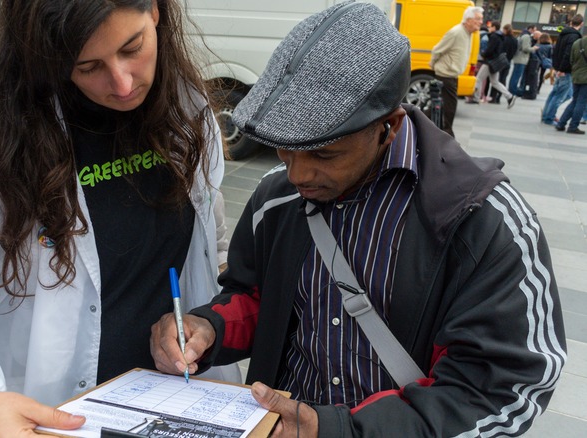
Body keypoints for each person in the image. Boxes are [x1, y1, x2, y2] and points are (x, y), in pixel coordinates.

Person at [151, 3, 566, 437]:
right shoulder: (276, 197)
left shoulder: (481, 220)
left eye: (324, 154)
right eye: (284, 149)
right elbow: (254, 296)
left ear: (388, 126)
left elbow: (501, 388)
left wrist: (338, 430)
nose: (298, 174)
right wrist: (208, 328)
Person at [0, 0, 240, 436]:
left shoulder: (186, 108)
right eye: (87, 66)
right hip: (55, 413)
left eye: (132, 47)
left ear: (154, 11)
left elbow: (207, 233)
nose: (121, 83)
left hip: (178, 399)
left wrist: (203, 317)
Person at [429, 6, 483, 137]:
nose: (481, 22)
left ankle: (425, 126)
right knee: (449, 107)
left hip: (452, 75)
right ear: (468, 20)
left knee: (441, 106)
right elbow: (437, 50)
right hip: (445, 74)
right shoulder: (456, 32)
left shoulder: (468, 33)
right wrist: (434, 65)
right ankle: (448, 135)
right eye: (478, 19)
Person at [542, 14, 583, 125]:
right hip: (565, 70)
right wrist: (562, 69)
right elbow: (568, 54)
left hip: (559, 67)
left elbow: (557, 51)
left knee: (556, 93)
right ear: (581, 24)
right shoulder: (574, 36)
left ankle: (547, 114)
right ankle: (549, 117)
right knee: (561, 95)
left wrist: (556, 67)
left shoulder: (563, 34)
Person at [470, 21, 516, 107]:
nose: (489, 28)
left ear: (494, 27)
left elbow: (490, 49)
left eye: (490, 27)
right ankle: (509, 96)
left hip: (489, 62)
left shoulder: (494, 36)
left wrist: (483, 54)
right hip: (495, 62)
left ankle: (476, 98)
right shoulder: (500, 37)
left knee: (478, 79)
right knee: (495, 82)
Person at [555, 35, 587, 134]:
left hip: (576, 75)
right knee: (581, 102)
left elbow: (571, 60)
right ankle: (573, 126)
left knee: (575, 100)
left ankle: (561, 123)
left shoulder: (577, 42)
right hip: (585, 77)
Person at [509, 25, 537, 96]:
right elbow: (525, 48)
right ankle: (513, 90)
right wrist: (533, 48)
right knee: (516, 76)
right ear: (530, 29)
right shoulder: (527, 36)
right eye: (534, 30)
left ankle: (512, 89)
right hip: (521, 59)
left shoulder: (522, 35)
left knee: (515, 75)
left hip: (518, 58)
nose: (534, 32)